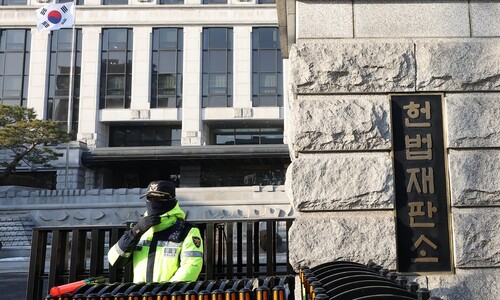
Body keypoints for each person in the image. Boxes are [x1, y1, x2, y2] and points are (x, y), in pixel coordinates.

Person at [108, 180, 203, 283]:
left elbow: (191, 266)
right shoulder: (139, 228)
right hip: (141, 294)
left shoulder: (187, 231)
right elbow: (114, 261)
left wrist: (165, 292)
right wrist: (135, 233)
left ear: (171, 199)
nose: (153, 202)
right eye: (150, 198)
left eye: (159, 198)